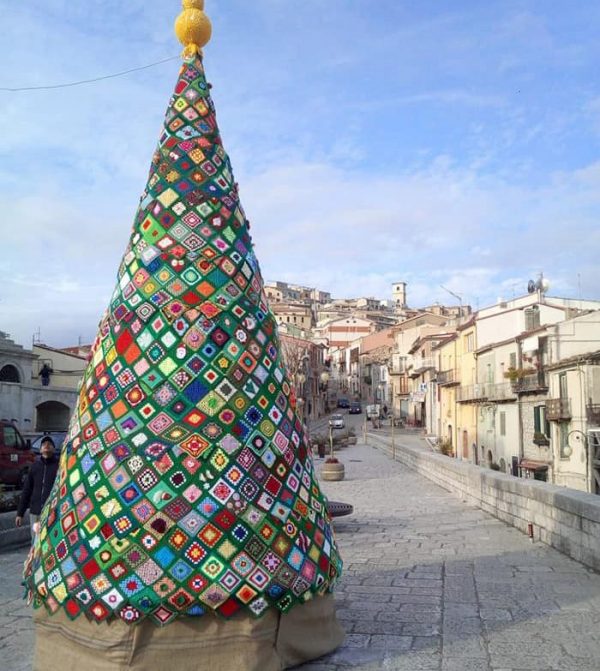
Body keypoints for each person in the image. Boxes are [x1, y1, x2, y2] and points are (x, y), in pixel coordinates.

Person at [16, 437, 59, 538]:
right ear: (40, 450)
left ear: (53, 449)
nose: (46, 445)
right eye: (44, 444)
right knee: (36, 542)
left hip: (52, 512)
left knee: (50, 542)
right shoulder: (35, 466)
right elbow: (27, 490)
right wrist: (20, 513)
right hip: (35, 513)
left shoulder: (59, 466)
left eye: (49, 444)